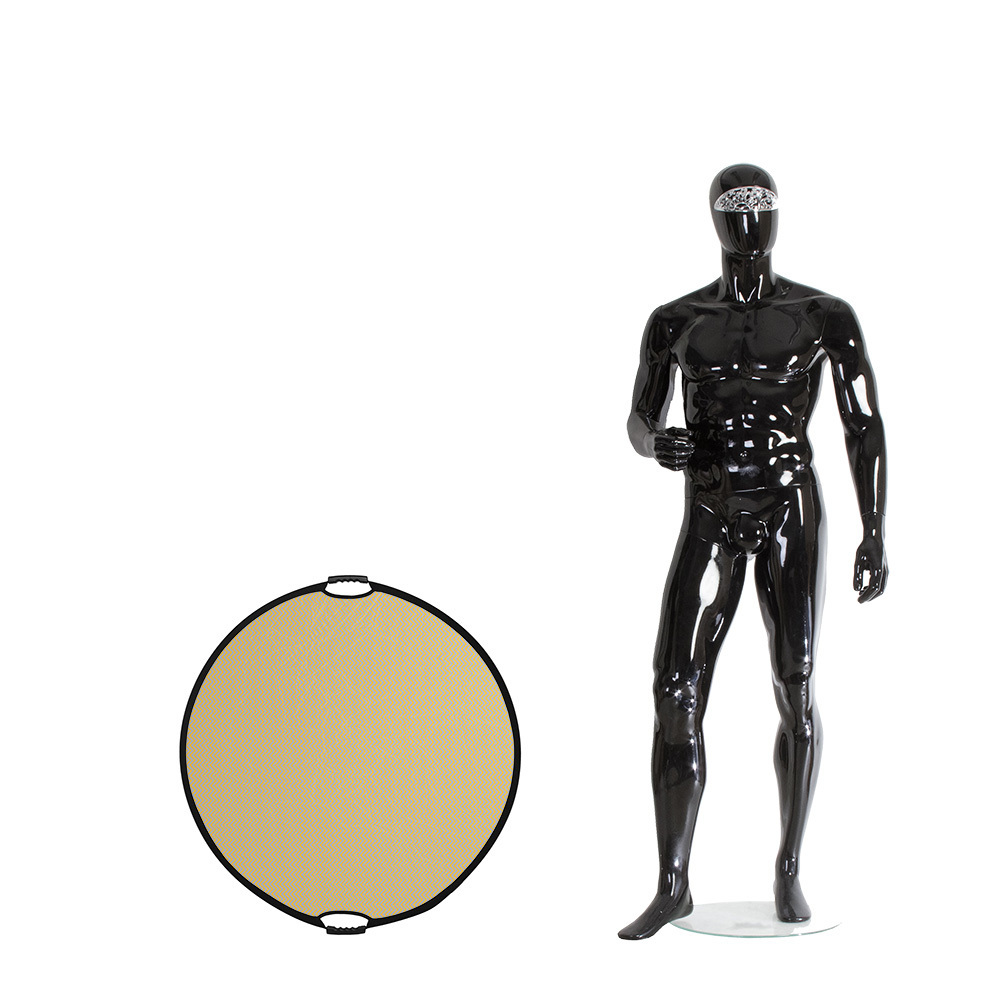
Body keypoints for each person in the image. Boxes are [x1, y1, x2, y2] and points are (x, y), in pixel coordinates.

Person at [618, 164, 887, 940]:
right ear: (714, 219)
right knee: (675, 688)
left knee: (794, 683)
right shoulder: (676, 320)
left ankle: (789, 868)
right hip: (709, 506)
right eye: (734, 209)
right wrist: (656, 444)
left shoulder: (821, 315)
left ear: (776, 215)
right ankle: (673, 883)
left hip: (788, 506)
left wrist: (874, 529)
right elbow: (638, 417)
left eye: (759, 207)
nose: (747, 222)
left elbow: (862, 424)